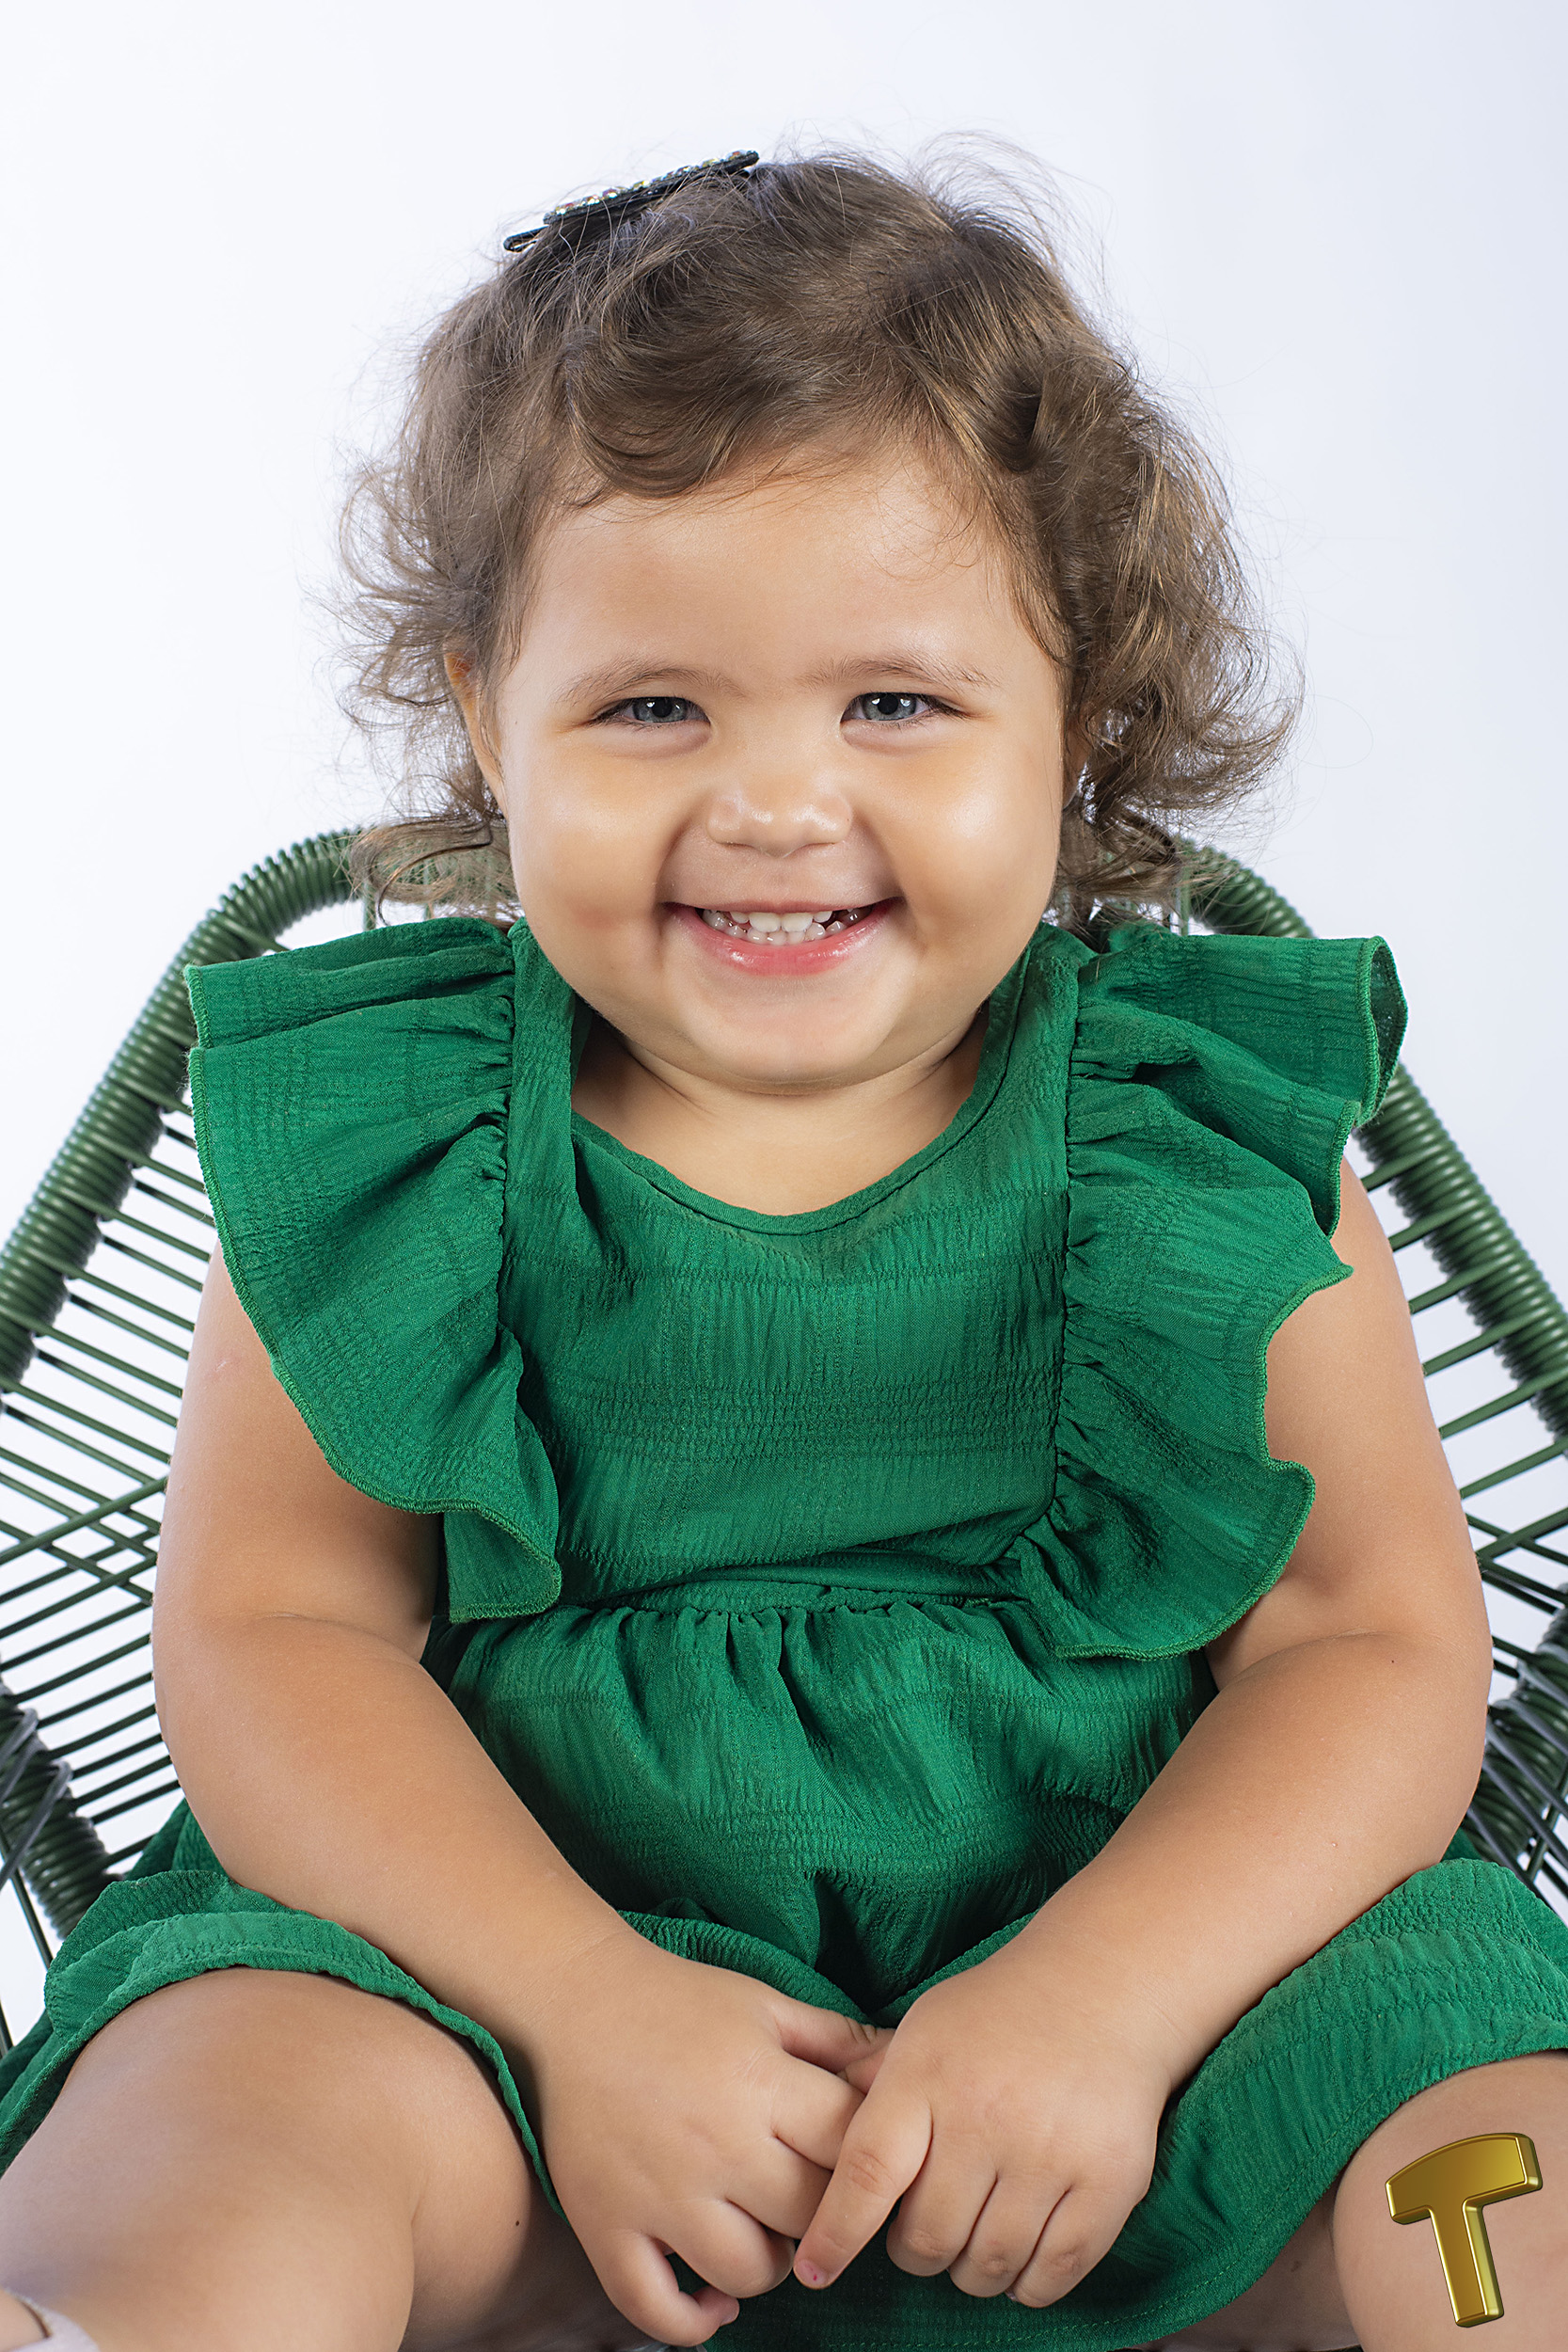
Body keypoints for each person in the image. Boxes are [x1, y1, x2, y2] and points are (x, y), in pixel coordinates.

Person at [0, 146, 1563, 2352]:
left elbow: (1367, 1639)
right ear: (486, 712)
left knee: (1488, 2129)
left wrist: (1108, 2001)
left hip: (1144, 2016)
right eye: (654, 705)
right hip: (516, 2004)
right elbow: (274, 1631)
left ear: (1080, 712)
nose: (773, 800)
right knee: (242, 2110)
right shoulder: (399, 1138)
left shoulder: (1191, 1135)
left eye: (894, 703)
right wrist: (578, 2004)